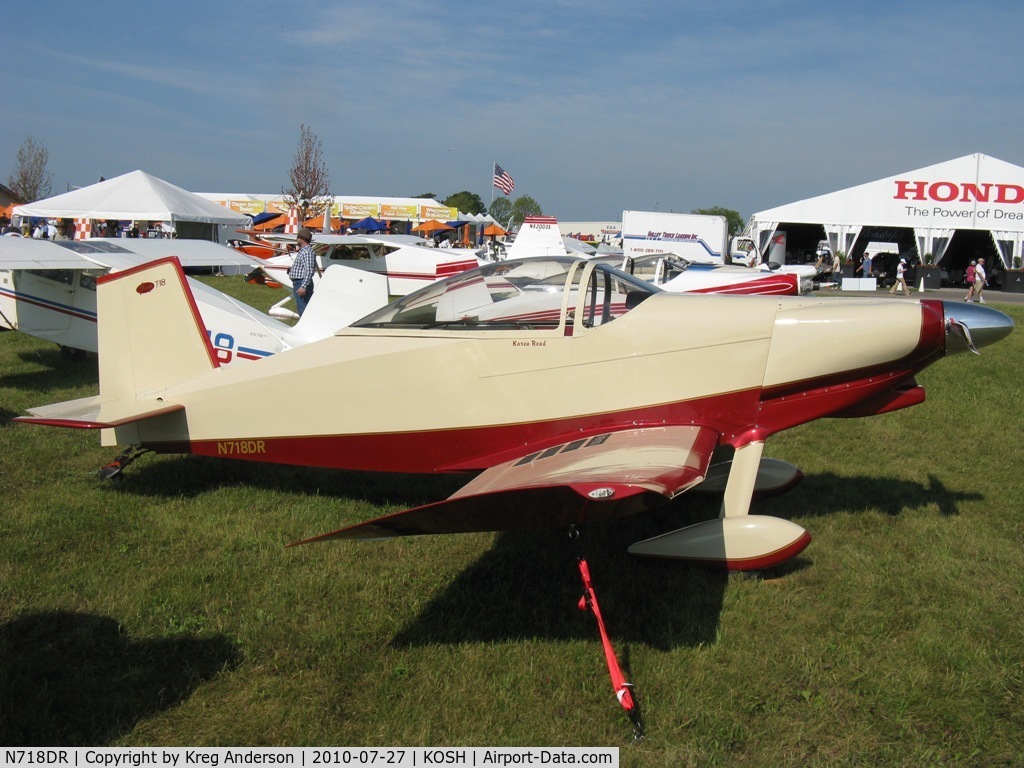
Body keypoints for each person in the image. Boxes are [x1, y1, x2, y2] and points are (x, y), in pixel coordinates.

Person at [288, 228, 318, 316]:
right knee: (302, 308)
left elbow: (309, 270)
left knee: (303, 310)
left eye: (298, 237)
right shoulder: (304, 251)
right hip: (299, 282)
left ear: (302, 239)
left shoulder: (307, 252)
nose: (297, 240)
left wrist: (303, 286)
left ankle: (307, 327)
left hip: (301, 283)